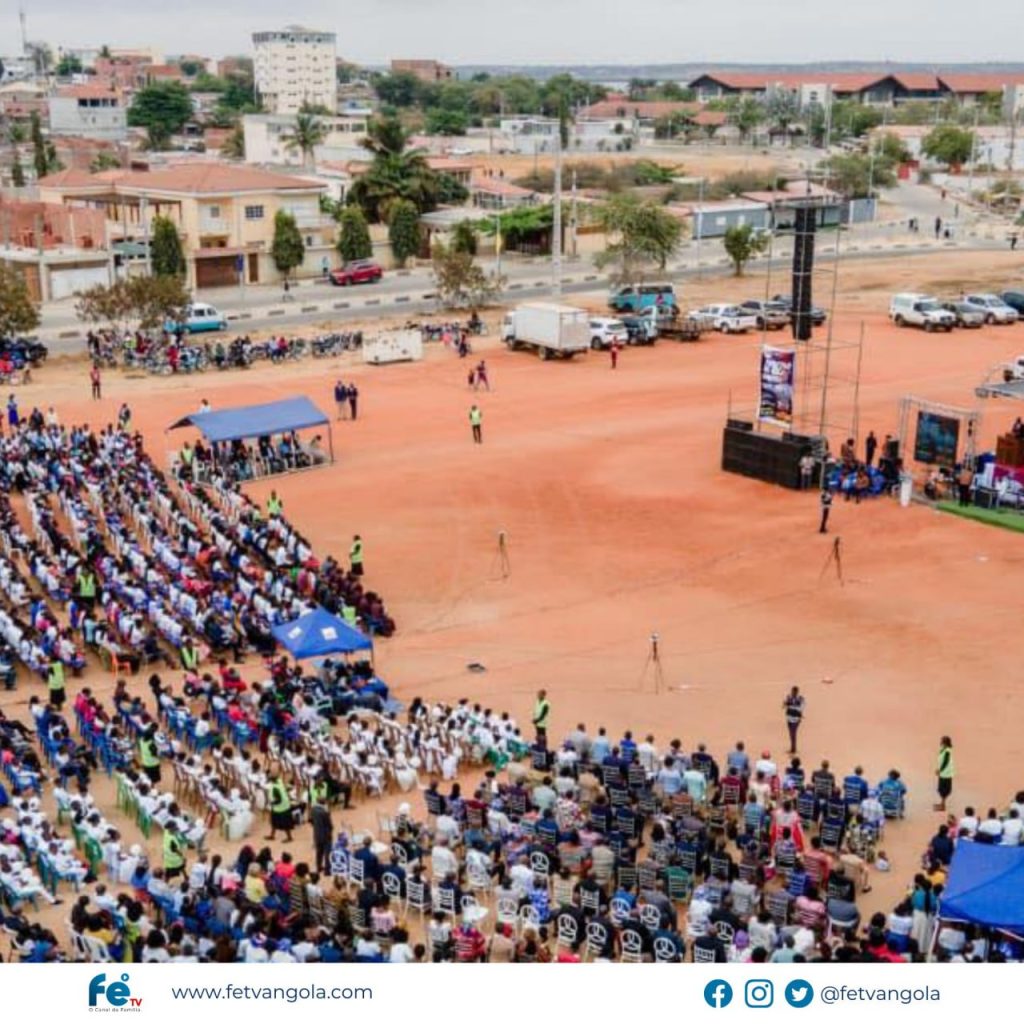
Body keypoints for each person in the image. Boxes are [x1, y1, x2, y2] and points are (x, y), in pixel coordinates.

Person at [266, 772, 293, 843]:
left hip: (281, 807)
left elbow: (279, 800)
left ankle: (289, 837)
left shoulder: (275, 788)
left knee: (285, 823)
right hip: (284, 805)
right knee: (274, 821)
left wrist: (272, 803)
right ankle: (272, 835)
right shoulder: (279, 781)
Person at [935, 736, 954, 813]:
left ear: (945, 742)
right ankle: (942, 803)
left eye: (942, 741)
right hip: (943, 773)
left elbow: (945, 762)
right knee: (941, 788)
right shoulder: (944, 749)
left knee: (944, 789)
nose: (940, 742)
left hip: (946, 773)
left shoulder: (947, 751)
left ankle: (943, 806)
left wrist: (940, 770)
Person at [783, 686, 805, 754]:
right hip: (789, 718)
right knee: (791, 733)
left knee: (793, 733)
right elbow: (784, 706)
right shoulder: (788, 697)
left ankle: (793, 748)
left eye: (794, 692)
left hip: (796, 719)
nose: (793, 693)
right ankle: (792, 747)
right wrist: (785, 704)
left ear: (797, 692)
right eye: (792, 691)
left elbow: (801, 708)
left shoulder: (801, 699)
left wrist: (791, 707)